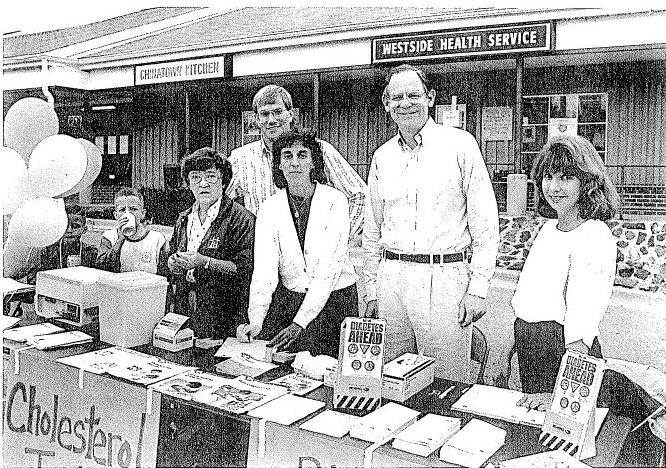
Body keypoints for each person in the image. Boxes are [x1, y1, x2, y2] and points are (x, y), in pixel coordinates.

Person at [363, 64, 499, 381]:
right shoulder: (382, 157)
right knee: (392, 379)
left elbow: (485, 224)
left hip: (445, 279)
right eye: (396, 97)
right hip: (392, 280)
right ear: (386, 104)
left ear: (431, 98)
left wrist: (478, 289)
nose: (405, 103)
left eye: (414, 95)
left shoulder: (460, 145)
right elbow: (373, 229)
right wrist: (372, 291)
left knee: (446, 381)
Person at [510, 135, 620, 410]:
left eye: (566, 177)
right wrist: (506, 351)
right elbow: (529, 302)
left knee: (562, 442)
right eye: (548, 176)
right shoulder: (548, 229)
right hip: (531, 347)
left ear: (587, 182)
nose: (553, 187)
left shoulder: (594, 236)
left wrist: (560, 394)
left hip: (567, 357)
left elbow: (583, 320)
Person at [236, 128, 358, 357]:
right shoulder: (269, 208)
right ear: (279, 164)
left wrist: (299, 324)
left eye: (302, 155)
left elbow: (328, 270)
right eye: (287, 156)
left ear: (314, 162)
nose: (294, 162)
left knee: (328, 374)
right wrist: (256, 320)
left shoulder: (335, 201)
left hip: (335, 303)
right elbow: (264, 272)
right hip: (290, 302)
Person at [227, 84, 367, 240]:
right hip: (264, 252)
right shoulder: (241, 158)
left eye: (278, 112)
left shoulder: (319, 150)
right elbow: (216, 202)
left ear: (291, 114)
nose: (271, 120)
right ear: (256, 119)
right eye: (264, 114)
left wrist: (339, 239)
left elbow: (360, 196)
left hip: (313, 254)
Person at [168, 148, 255, 339]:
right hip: (186, 313)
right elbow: (170, 258)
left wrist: (204, 262)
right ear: (188, 183)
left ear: (224, 181)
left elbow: (245, 269)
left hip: (224, 316)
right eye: (195, 177)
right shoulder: (183, 218)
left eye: (211, 176)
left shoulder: (241, 219)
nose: (203, 184)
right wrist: (173, 262)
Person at [96, 188, 169, 275]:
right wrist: (120, 240)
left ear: (143, 213)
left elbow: (165, 275)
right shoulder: (109, 237)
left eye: (133, 209)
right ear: (116, 215)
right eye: (122, 210)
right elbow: (101, 268)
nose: (127, 214)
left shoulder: (157, 239)